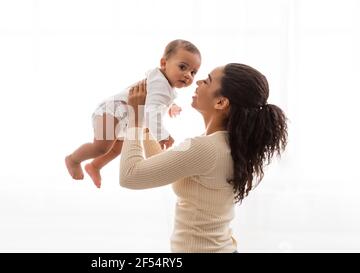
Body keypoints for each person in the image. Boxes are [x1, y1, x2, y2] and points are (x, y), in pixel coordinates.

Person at [120, 63, 288, 253]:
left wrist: (134, 121)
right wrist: (145, 124)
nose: (198, 81)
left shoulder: (205, 148)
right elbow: (163, 168)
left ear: (221, 102)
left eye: (207, 81)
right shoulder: (225, 145)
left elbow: (130, 176)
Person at [65, 39, 202, 188]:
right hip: (113, 112)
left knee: (117, 148)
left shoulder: (164, 83)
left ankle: (95, 166)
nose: (188, 75)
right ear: (164, 63)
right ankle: (73, 159)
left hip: (125, 119)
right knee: (101, 147)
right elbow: (151, 112)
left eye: (193, 72)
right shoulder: (160, 83)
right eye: (183, 67)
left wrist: (171, 106)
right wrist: (162, 134)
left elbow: (155, 100)